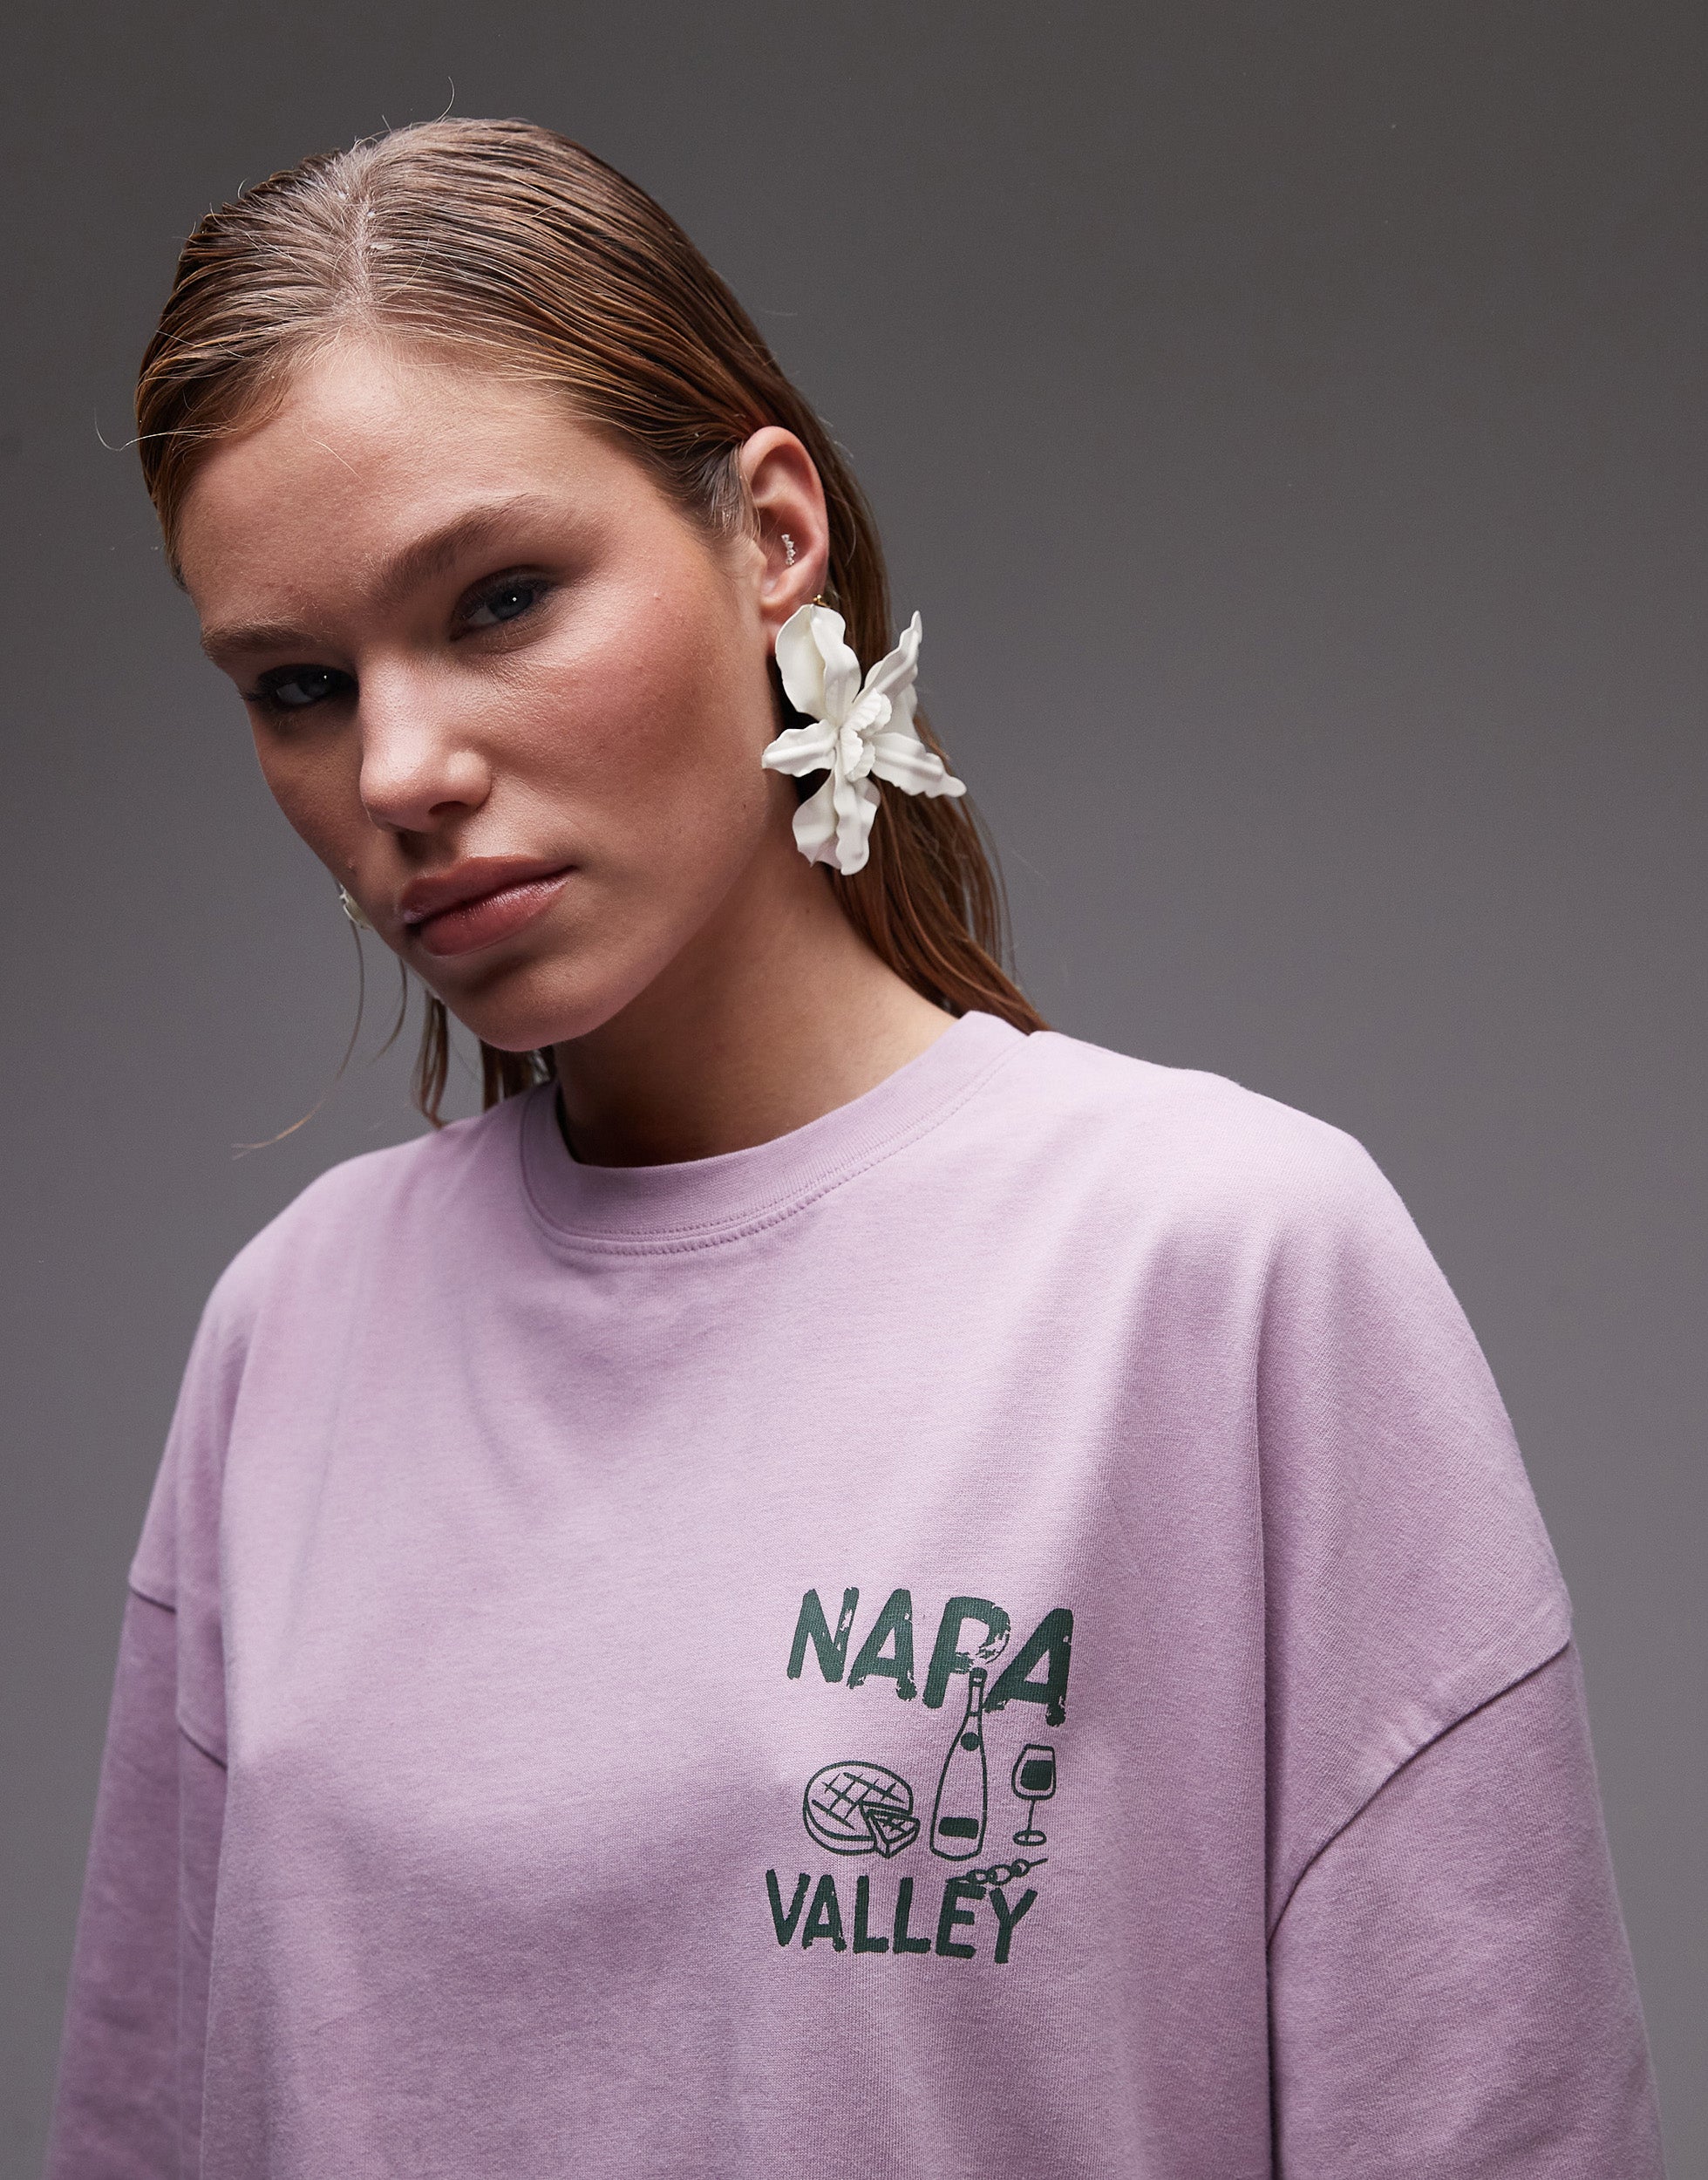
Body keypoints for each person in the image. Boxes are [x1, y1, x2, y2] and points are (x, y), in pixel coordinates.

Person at [46, 119, 1664, 2180]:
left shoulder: (1218, 1267)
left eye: (500, 597)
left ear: (770, 535)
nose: (400, 767)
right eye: (297, 684)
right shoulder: (290, 1332)